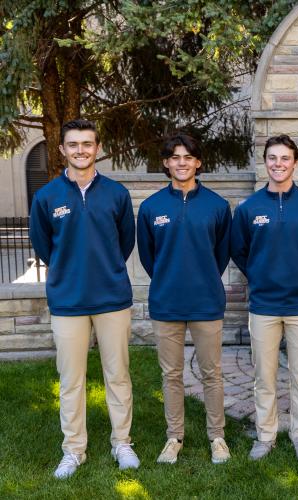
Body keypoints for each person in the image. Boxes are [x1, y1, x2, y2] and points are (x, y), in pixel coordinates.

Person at [29, 119, 140, 479]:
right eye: (73, 144)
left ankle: (122, 442)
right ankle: (74, 449)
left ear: (97, 148)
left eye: (87, 144)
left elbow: (124, 243)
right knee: (71, 380)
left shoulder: (116, 194)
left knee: (118, 376)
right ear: (62, 150)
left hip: (112, 299)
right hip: (67, 302)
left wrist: (104, 269)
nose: (81, 150)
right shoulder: (46, 197)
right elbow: (45, 247)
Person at [230, 135, 298, 460]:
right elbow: (239, 251)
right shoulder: (249, 208)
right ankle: (266, 435)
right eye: (272, 158)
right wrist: (260, 276)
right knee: (265, 376)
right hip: (264, 305)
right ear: (265, 162)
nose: (278, 164)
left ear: (295, 163)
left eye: (285, 158)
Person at [137, 133, 232, 465]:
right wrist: (169, 279)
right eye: (175, 157)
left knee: (212, 373)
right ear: (166, 163)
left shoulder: (218, 206)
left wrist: (202, 278)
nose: (181, 162)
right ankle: (174, 437)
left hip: (206, 302)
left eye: (188, 157)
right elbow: (150, 258)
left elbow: (220, 254)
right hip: (166, 303)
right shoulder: (151, 208)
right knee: (171, 374)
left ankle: (217, 437)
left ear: (198, 162)